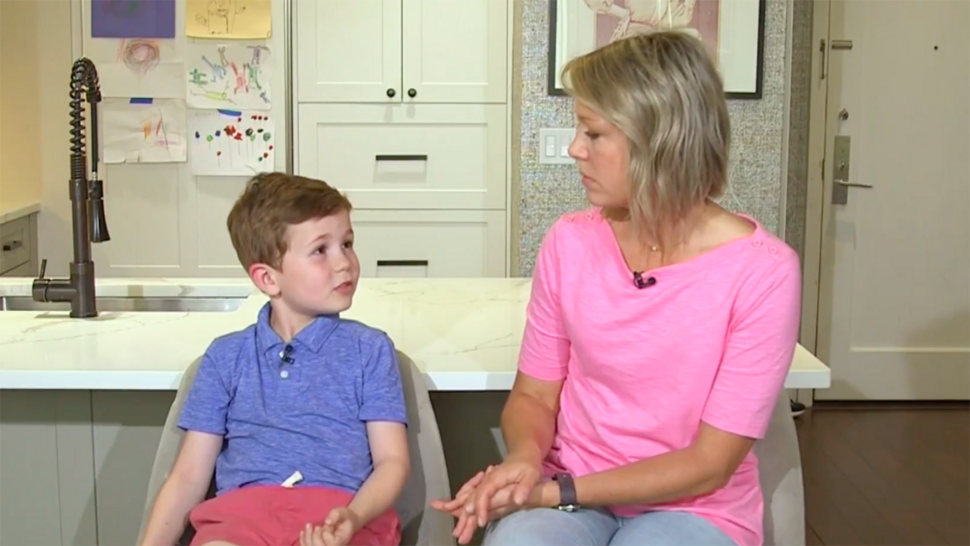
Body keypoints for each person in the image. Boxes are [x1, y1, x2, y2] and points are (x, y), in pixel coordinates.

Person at [432, 31, 801, 546]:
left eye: (594, 133)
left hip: (694, 507)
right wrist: (523, 460)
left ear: (659, 141)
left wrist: (553, 493)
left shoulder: (764, 271)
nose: (574, 149)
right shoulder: (570, 241)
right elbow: (535, 394)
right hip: (570, 491)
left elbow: (710, 463)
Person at [138, 173, 411, 546]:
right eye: (321, 250)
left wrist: (354, 516)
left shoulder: (371, 350)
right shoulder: (225, 358)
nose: (345, 262)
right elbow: (188, 477)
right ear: (267, 279)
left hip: (340, 522)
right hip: (241, 523)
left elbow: (392, 461)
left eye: (347, 244)